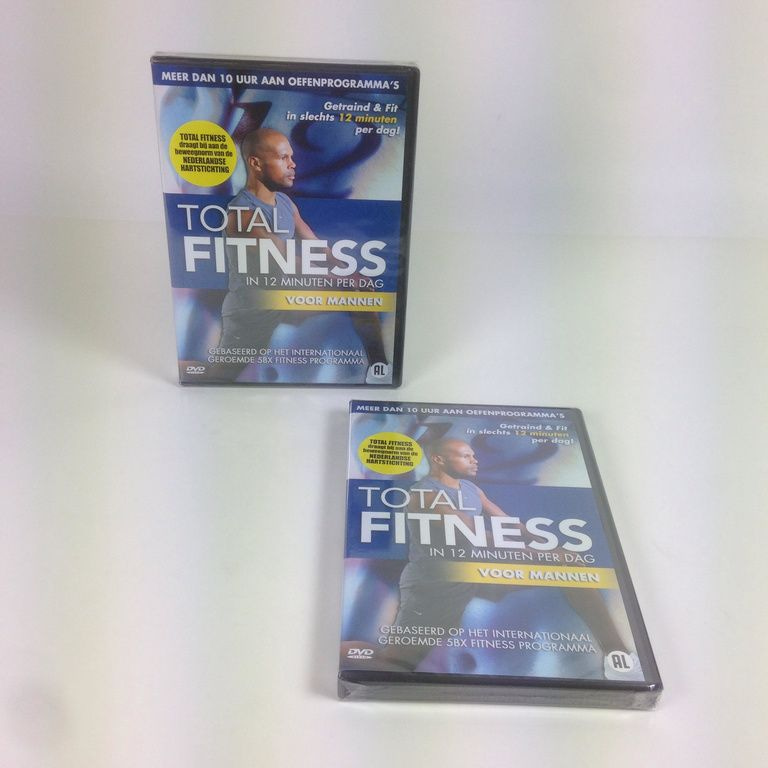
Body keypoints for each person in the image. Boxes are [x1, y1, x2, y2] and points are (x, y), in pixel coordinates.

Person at [388, 439, 641, 679]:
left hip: (476, 569)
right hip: (438, 580)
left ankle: (618, 657)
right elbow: (471, 533)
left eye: (473, 455)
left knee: (569, 566)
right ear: (439, 459)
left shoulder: (471, 489)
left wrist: (547, 543)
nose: (474, 460)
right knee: (399, 661)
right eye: (465, 456)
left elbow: (508, 523)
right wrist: (543, 553)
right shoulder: (424, 494)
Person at [213, 128, 389, 383]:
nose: (292, 164)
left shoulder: (285, 203)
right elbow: (283, 260)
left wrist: (348, 271)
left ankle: (380, 369)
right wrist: (340, 279)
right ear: (256, 163)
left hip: (285, 296)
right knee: (221, 375)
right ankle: (192, 373)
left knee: (360, 289)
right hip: (253, 306)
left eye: (292, 157)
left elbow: (315, 246)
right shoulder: (243, 213)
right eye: (283, 157)